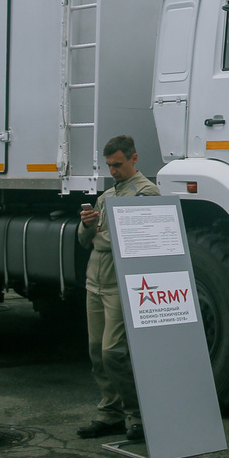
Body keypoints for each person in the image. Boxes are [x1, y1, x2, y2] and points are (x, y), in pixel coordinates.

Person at [75, 134, 161, 442]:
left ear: (134, 159)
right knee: (97, 351)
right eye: (109, 165)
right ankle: (110, 412)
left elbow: (146, 241)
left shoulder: (146, 193)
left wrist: (100, 234)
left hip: (120, 284)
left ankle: (136, 414)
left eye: (118, 164)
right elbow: (86, 242)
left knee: (114, 353)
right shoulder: (106, 196)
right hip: (95, 281)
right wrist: (87, 224)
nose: (113, 171)